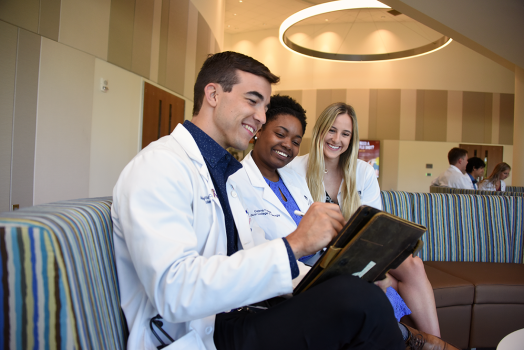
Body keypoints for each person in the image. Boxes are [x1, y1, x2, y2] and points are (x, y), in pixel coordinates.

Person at [111, 52, 406, 350]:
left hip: (235, 314)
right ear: (213, 94)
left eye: (264, 107)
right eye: (252, 101)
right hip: (197, 335)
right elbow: (174, 292)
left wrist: (325, 276)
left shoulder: (220, 173)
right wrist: (296, 244)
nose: (261, 117)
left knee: (355, 294)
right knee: (361, 302)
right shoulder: (159, 166)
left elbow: (252, 251)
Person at [287, 102, 442, 338]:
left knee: (414, 264)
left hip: (357, 251)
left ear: (352, 139)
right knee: (389, 283)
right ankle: (425, 341)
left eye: (345, 133)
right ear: (320, 130)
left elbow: (375, 227)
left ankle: (436, 342)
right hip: (319, 256)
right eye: (331, 129)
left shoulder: (363, 172)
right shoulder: (295, 170)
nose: (336, 139)